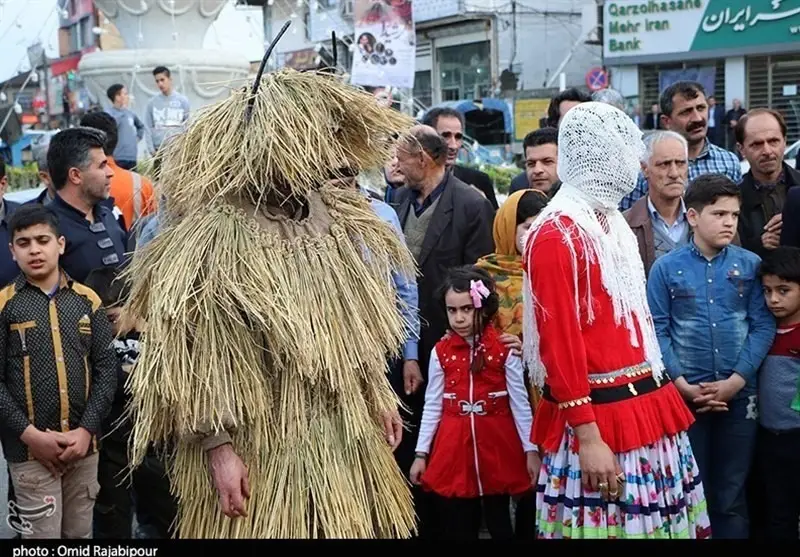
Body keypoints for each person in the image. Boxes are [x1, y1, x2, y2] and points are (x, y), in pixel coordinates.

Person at [118, 63, 422, 538]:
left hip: (341, 432)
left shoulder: (338, 218)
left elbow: (357, 327)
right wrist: (218, 450)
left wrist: (377, 394)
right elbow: (196, 359)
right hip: (259, 444)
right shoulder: (214, 236)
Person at [521, 101, 711, 539]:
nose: (634, 164)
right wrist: (587, 437)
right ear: (597, 158)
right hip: (600, 421)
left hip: (644, 406)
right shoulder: (556, 234)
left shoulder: (609, 222)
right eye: (625, 153)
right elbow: (559, 341)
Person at [647, 174, 776, 539]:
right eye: (719, 214)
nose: (729, 223)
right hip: (685, 399)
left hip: (740, 397)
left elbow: (762, 326)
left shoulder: (751, 266)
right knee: (690, 490)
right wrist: (683, 385)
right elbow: (657, 330)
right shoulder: (665, 269)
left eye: (734, 215)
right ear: (692, 217)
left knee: (732, 492)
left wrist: (736, 382)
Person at [0, 204, 117, 539]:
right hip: (29, 453)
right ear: (12, 251)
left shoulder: (88, 301)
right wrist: (31, 436)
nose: (35, 249)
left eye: (43, 240)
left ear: (61, 244)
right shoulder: (5, 306)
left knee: (79, 536)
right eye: (24, 243)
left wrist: (86, 431)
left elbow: (107, 368)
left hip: (83, 448)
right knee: (41, 537)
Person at [410, 265, 538, 540]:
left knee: (499, 519)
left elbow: (520, 403)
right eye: (452, 310)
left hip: (498, 445)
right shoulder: (440, 352)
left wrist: (530, 449)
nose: (459, 318)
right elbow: (432, 405)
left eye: (467, 309)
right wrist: (421, 454)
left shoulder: (505, 349)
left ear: (483, 306)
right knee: (459, 521)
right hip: (455, 447)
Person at [620, 81, 742, 211]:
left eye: (701, 108)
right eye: (686, 112)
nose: (697, 118)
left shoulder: (729, 162)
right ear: (666, 122)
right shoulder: (646, 168)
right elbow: (628, 223)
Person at [752, 246, 800, 540]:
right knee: (777, 514)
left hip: (797, 434)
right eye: (767, 291)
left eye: (784, 290)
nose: (773, 299)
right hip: (768, 437)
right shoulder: (762, 332)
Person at [623, 130, 691, 277]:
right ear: (645, 169)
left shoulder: (705, 217)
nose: (674, 173)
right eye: (664, 164)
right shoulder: (624, 226)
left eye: (680, 163)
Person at [734, 108, 799, 257]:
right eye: (757, 144)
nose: (767, 151)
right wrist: (759, 244)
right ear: (741, 149)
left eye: (773, 141)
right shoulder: (733, 200)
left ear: (785, 142)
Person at [144, 66, 190, 156]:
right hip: (159, 150)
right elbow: (148, 126)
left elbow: (188, 124)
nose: (160, 84)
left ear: (170, 79)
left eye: (162, 80)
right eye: (157, 81)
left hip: (177, 150)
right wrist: (151, 150)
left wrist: (186, 147)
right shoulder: (152, 103)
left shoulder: (182, 101)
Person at [105, 84, 145, 171]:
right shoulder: (109, 114)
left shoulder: (130, 113)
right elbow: (113, 125)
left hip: (131, 156)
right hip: (117, 156)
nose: (127, 96)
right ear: (117, 97)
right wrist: (122, 111)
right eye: (125, 94)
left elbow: (140, 126)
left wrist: (137, 138)